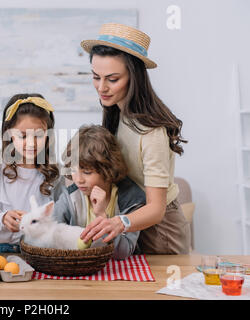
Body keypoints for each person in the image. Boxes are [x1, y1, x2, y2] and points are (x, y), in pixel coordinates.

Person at [79, 23, 190, 254]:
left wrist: (119, 222)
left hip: (160, 230)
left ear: (134, 76)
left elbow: (156, 209)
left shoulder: (152, 131)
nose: (102, 87)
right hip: (131, 219)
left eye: (112, 79)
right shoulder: (117, 113)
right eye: (96, 77)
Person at [0, 93, 66, 253]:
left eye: (39, 135)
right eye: (22, 136)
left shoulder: (53, 171)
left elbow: (59, 221)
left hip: (39, 252)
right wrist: (2, 219)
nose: (31, 143)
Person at [53, 125, 146, 260]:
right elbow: (53, 236)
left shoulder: (131, 199)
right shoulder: (69, 197)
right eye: (73, 170)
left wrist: (102, 216)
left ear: (108, 168)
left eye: (87, 172)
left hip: (116, 270)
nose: (78, 180)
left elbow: (123, 253)